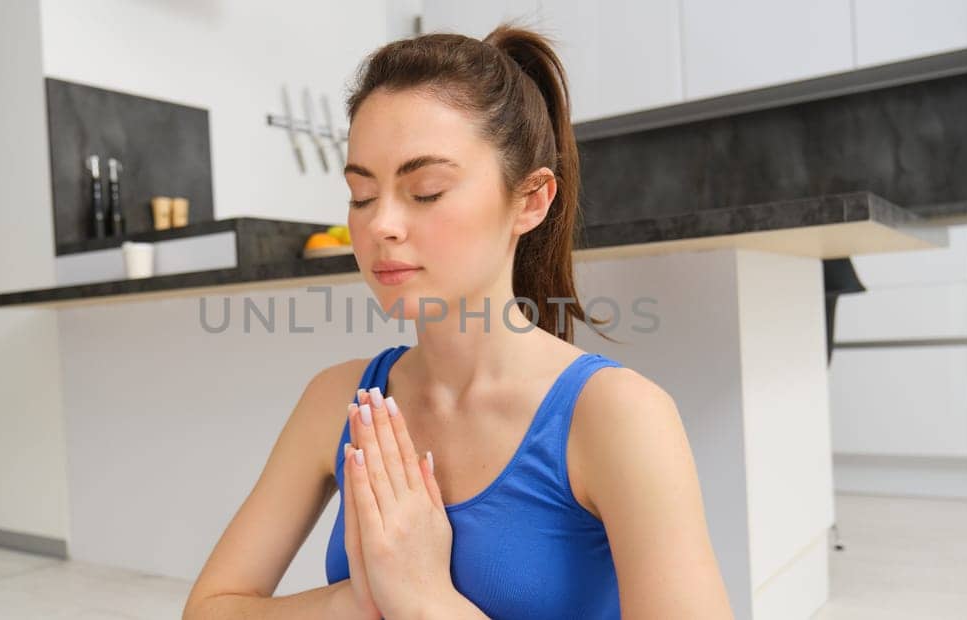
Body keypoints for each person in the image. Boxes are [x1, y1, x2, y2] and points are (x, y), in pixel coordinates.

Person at [184, 25, 731, 619]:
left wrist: (423, 599)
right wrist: (357, 601)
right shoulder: (339, 401)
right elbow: (210, 609)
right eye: (362, 195)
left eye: (426, 191)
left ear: (530, 201)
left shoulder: (618, 417)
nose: (381, 225)